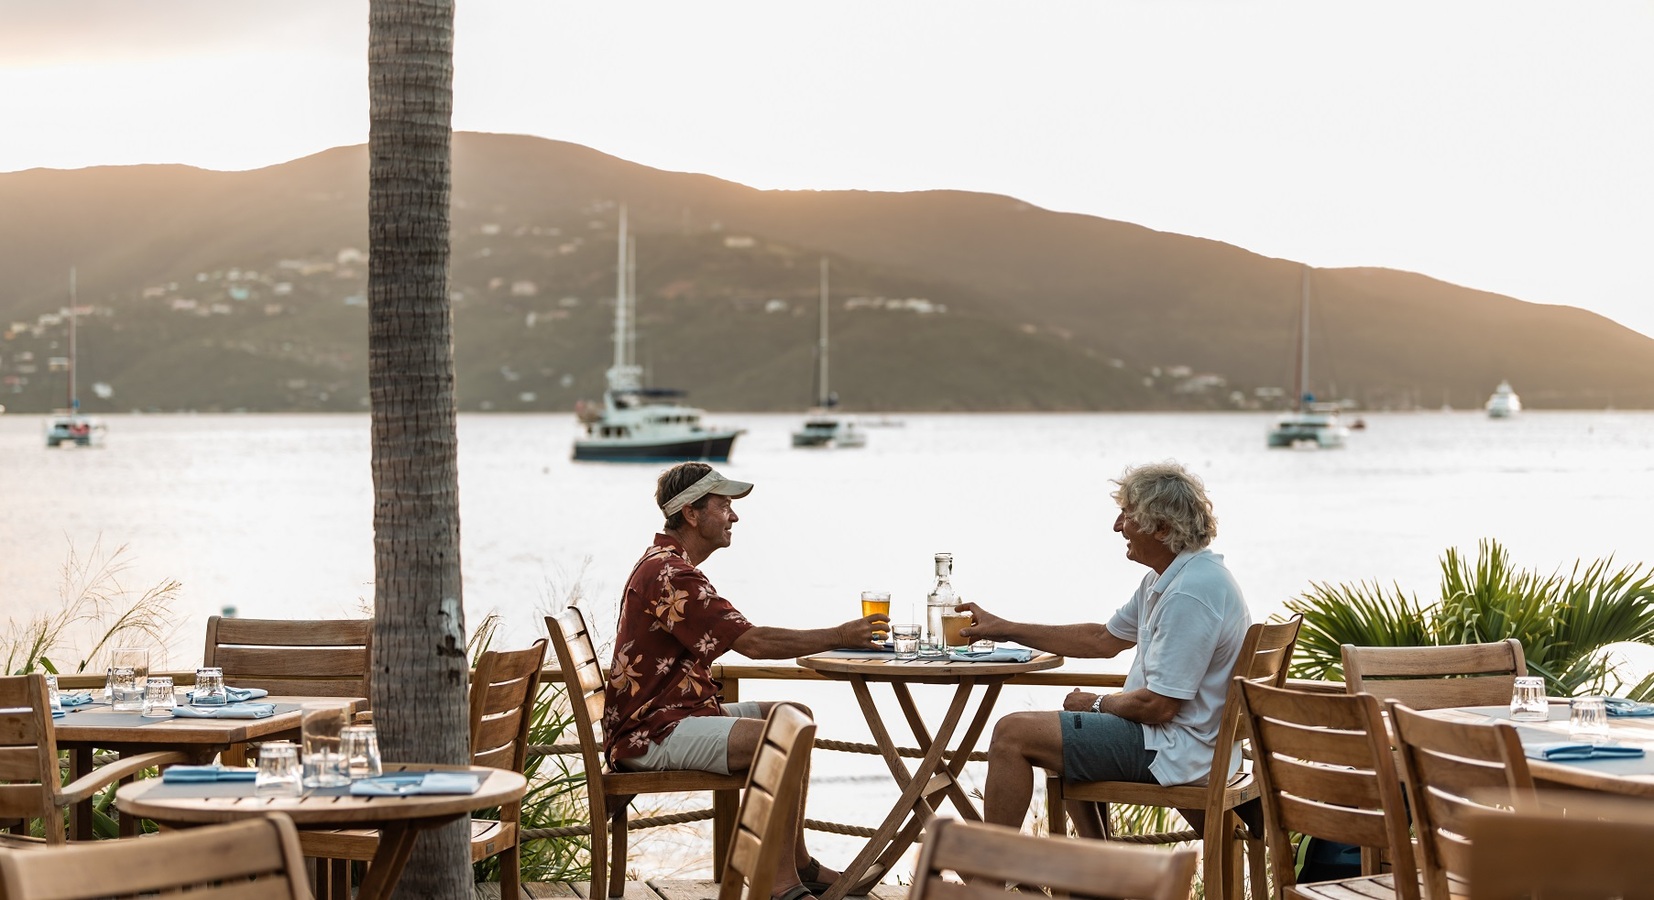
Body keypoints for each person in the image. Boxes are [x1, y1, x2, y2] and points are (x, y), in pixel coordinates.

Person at [604, 461, 887, 900]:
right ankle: (779, 887)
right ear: (692, 514)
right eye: (724, 506)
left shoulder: (669, 564)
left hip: (674, 714)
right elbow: (753, 643)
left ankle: (799, 864)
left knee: (795, 717)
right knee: (782, 739)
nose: (734, 516)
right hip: (650, 731)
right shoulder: (670, 574)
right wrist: (840, 635)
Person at [956, 460, 1252, 834]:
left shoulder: (1191, 593)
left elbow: (1159, 706)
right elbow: (1103, 639)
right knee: (1058, 739)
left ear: (1161, 527)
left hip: (1176, 750)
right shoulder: (1171, 579)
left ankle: (987, 884)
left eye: (1127, 515)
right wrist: (1005, 628)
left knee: (1014, 734)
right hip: (1184, 742)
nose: (1117, 527)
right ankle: (1097, 881)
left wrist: (1096, 703)